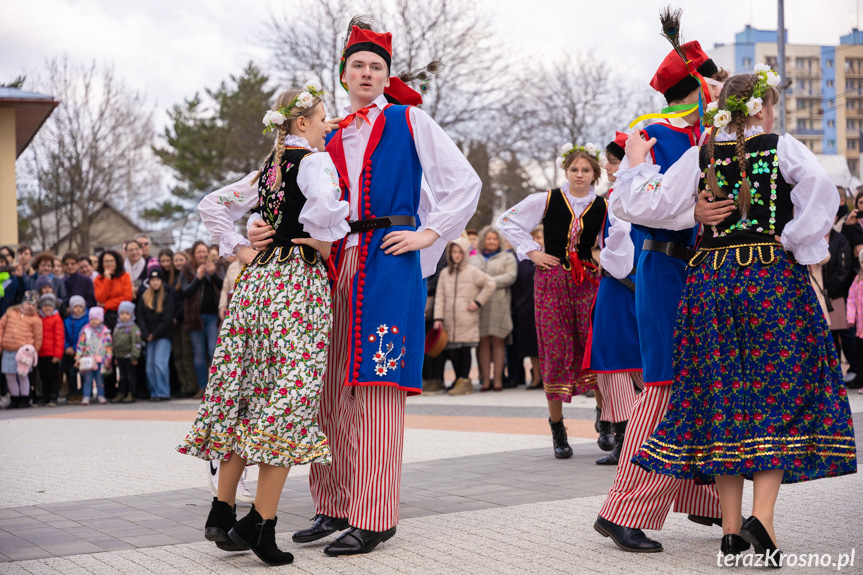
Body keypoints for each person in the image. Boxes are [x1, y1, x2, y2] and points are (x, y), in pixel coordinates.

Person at [249, 20, 482, 557]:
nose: (368, 73)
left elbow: (462, 183)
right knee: (326, 387)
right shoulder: (323, 133)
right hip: (329, 264)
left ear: (386, 76)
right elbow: (286, 195)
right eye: (359, 64)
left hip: (388, 260)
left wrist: (427, 233)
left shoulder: (410, 120)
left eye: (377, 66)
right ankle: (331, 504)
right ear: (343, 73)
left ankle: (374, 515)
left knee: (377, 388)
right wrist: (259, 227)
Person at [626, 67, 858, 564]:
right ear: (764, 107)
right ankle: (764, 522)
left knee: (723, 397)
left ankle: (731, 531)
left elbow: (649, 206)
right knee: (777, 392)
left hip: (710, 281)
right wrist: (795, 239)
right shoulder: (781, 145)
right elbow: (820, 187)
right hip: (769, 279)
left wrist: (635, 164)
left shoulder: (700, 153)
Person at [595, 37, 728, 553]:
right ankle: (624, 510)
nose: (722, 91)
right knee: (665, 385)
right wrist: (688, 213)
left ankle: (708, 498)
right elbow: (630, 203)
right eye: (715, 83)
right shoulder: (653, 132)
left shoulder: (710, 133)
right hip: (669, 265)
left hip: (705, 272)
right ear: (697, 85)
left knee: (707, 381)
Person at [498, 144, 606, 457]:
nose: (580, 175)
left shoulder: (603, 205)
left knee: (592, 347)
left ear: (594, 174)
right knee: (556, 348)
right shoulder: (546, 199)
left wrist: (600, 253)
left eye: (586, 170)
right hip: (553, 279)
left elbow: (609, 239)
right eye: (575, 170)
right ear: (566, 171)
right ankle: (558, 429)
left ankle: (605, 419)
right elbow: (508, 220)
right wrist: (532, 251)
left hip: (587, 281)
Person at [582, 133, 645, 465]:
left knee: (614, 361)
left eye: (612, 161)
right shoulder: (649, 192)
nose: (606, 167)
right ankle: (634, 435)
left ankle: (625, 439)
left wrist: (605, 261)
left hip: (621, 283)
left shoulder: (620, 197)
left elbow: (615, 248)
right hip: (641, 282)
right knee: (633, 361)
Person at [431, 237, 495, 395]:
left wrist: (478, 302)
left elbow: (490, 284)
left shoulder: (473, 272)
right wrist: (438, 318)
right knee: (452, 352)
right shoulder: (445, 273)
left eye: (460, 252)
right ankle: (459, 379)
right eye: (454, 251)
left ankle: (465, 381)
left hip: (467, 318)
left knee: (464, 351)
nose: (456, 255)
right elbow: (439, 297)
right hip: (449, 321)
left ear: (465, 253)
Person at [469, 227, 517, 392]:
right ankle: (485, 380)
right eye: (488, 239)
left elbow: (510, 277)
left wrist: (487, 282)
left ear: (499, 241)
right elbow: (470, 277)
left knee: (498, 340)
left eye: (494, 239)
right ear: (483, 240)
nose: (491, 241)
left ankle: (497, 380)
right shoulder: (475, 259)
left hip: (499, 304)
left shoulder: (508, 257)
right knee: (483, 342)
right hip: (480, 304)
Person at [181, 241, 224, 399]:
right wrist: (198, 278)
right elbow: (185, 292)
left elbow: (223, 287)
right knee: (199, 353)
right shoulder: (187, 268)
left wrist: (212, 275)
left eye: (204, 252)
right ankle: (202, 387)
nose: (202, 255)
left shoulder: (217, 267)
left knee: (213, 350)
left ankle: (216, 388)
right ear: (193, 254)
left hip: (213, 316)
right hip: (195, 318)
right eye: (199, 252)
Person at [510, 227, 542, 390]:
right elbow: (517, 284)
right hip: (527, 308)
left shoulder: (554, 258)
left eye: (541, 237)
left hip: (547, 307)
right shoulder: (523, 260)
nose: (538, 241)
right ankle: (536, 377)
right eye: (535, 237)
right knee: (532, 346)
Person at [0, 291, 42, 409]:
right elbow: (1, 326)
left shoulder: (36, 319)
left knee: (23, 375)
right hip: (8, 349)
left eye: (34, 305)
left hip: (24, 352)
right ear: (22, 303)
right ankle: (15, 398)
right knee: (10, 375)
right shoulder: (10, 313)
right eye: (28, 303)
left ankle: (24, 398)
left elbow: (38, 337)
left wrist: (35, 352)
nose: (30, 307)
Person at [137, 268, 174, 401]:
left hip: (162, 336)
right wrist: (146, 333)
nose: (155, 283)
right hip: (149, 336)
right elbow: (140, 316)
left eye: (157, 280)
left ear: (161, 281)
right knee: (150, 366)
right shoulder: (144, 297)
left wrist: (155, 333)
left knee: (160, 363)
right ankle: (154, 392)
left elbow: (167, 319)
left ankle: (163, 392)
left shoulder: (167, 297)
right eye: (152, 280)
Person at [75, 306, 112, 405]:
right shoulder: (86, 331)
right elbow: (80, 345)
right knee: (88, 379)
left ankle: (101, 395)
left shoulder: (105, 332)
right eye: (92, 319)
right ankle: (86, 396)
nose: (94, 321)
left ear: (101, 319)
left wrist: (108, 359)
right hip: (88, 360)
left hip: (100, 360)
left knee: (100, 379)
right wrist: (78, 358)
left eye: (96, 319)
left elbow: (108, 346)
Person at [112, 301, 142, 404]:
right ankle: (121, 393)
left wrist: (135, 356)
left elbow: (136, 343)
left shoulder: (133, 328)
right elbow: (114, 343)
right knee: (122, 376)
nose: (124, 316)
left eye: (127, 314)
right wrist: (115, 356)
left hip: (129, 357)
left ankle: (131, 393)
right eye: (122, 313)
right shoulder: (117, 328)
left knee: (131, 376)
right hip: (120, 357)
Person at [37, 293, 64, 407]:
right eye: (45, 305)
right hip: (41, 353)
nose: (47, 308)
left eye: (50, 305)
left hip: (52, 354)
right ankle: (45, 395)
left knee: (53, 375)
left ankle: (53, 395)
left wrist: (57, 355)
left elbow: (59, 337)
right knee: (43, 375)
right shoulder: (39, 318)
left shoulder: (56, 319)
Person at [64, 295, 89, 405]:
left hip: (82, 352)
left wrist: (76, 348)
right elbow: (63, 335)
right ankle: (72, 392)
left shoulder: (87, 320)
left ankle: (83, 392)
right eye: (75, 307)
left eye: (80, 306)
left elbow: (85, 336)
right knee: (71, 374)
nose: (78, 309)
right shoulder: (67, 321)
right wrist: (67, 347)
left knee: (83, 373)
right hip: (69, 352)